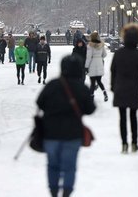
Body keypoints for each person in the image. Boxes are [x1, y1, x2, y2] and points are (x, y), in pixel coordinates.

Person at [37, 55, 96, 197]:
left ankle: (53, 190)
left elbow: (40, 103)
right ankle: (67, 192)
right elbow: (90, 109)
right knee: (69, 165)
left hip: (51, 132)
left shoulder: (53, 85)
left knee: (52, 164)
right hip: (73, 133)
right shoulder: (81, 87)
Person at [111, 24, 138, 154]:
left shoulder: (119, 53)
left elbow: (113, 70)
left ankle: (124, 143)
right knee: (133, 116)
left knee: (122, 118)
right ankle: (134, 142)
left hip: (120, 88)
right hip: (134, 88)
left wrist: (113, 86)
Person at [85, 31, 108, 102]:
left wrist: (86, 66)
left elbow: (88, 57)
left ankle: (91, 96)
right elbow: (104, 54)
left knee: (92, 82)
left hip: (92, 64)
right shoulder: (101, 45)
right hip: (99, 63)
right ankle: (105, 93)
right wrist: (99, 57)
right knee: (99, 81)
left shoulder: (90, 46)